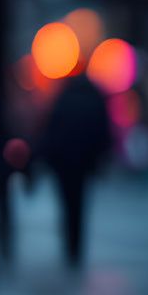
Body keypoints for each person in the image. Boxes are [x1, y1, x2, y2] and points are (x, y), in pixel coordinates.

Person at [38, 72, 112, 267]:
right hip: (83, 161)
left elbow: (51, 129)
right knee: (80, 204)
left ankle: (69, 246)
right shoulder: (94, 98)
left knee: (66, 203)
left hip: (64, 162)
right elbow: (103, 131)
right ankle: (76, 248)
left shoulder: (64, 97)